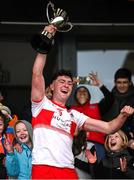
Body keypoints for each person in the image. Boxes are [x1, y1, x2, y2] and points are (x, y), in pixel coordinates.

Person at [31, 25, 134, 179]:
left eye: (69, 83)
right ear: (51, 86)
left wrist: (123, 115)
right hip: (43, 169)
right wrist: (46, 41)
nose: (66, 85)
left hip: (68, 170)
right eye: (61, 81)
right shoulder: (41, 104)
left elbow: (108, 127)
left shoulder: (74, 115)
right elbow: (37, 73)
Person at [71, 86, 106, 179]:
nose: (82, 93)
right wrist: (70, 85)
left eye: (84, 91)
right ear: (75, 96)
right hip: (77, 144)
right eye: (79, 91)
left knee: (97, 170)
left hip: (96, 144)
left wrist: (100, 85)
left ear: (89, 96)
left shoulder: (97, 107)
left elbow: (110, 100)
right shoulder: (70, 110)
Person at [89, 69, 134, 135]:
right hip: (106, 137)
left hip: (128, 138)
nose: (122, 86)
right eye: (119, 82)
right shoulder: (109, 99)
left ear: (130, 83)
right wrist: (100, 85)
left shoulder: (132, 99)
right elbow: (108, 99)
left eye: (125, 82)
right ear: (115, 83)